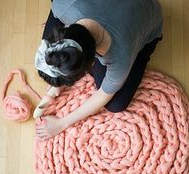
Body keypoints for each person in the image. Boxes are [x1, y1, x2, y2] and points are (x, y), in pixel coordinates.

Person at [35, 0, 163, 141]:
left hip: (148, 15)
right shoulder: (63, 6)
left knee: (117, 104)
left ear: (92, 63)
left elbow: (104, 95)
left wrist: (61, 124)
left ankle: (142, 52)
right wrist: (57, 83)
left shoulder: (120, 57)